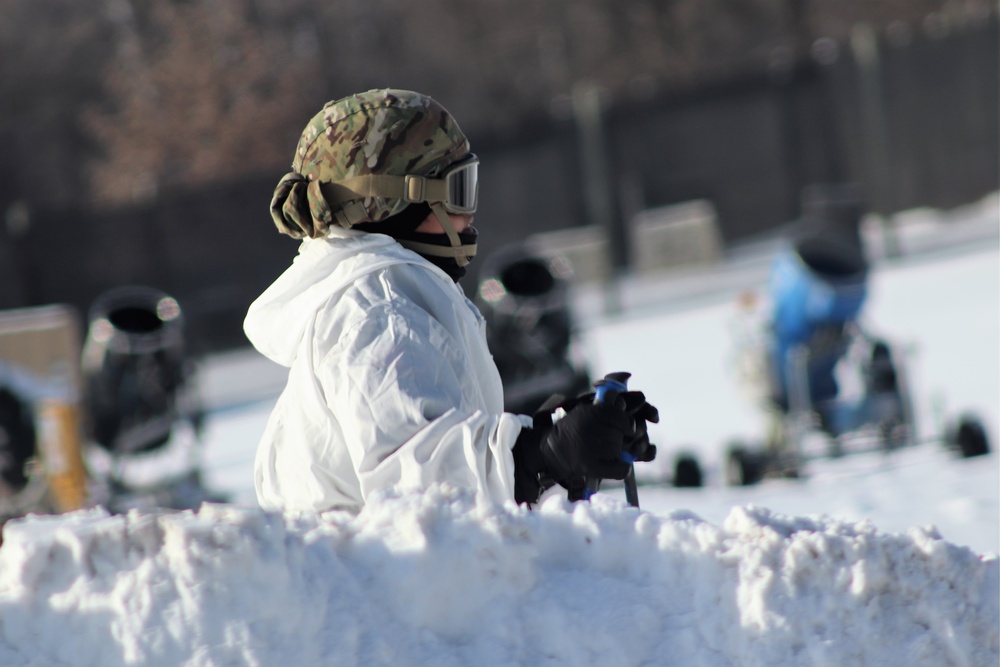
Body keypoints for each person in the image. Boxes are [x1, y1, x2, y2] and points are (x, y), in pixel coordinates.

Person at [244, 89, 657, 513]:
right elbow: (418, 478)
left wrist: (553, 432)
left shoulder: (391, 297)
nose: (470, 214)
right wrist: (543, 454)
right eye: (459, 189)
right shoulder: (377, 313)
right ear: (388, 204)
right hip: (378, 573)